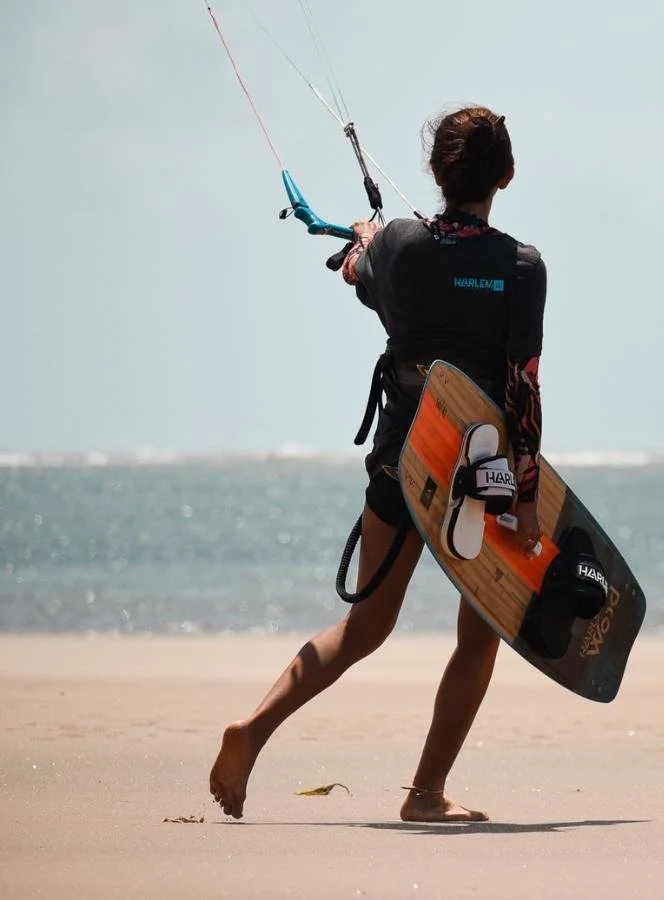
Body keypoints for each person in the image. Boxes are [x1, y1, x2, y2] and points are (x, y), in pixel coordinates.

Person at [208, 105, 547, 824]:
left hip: (402, 462)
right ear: (507, 177)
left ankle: (253, 729)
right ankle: (424, 794)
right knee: (477, 638)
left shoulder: (398, 245)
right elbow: (522, 384)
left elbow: (358, 272)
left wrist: (367, 241)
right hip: (478, 479)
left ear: (436, 171)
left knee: (363, 630)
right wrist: (526, 496)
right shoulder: (520, 267)